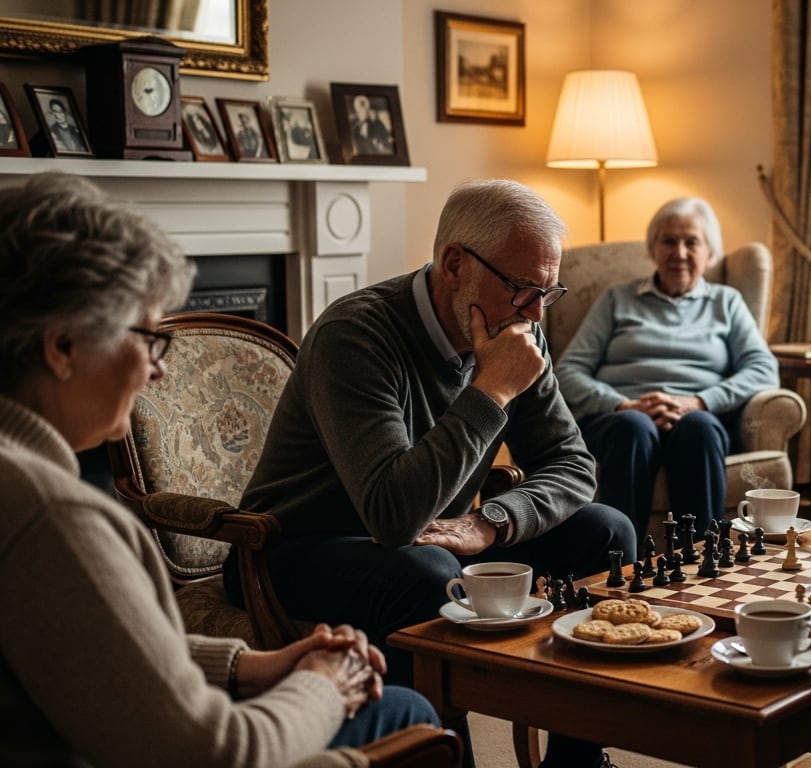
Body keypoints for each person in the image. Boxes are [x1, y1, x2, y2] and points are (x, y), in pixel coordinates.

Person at [0, 172, 442, 766]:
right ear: (61, 347)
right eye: (150, 338)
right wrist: (324, 683)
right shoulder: (53, 517)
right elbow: (218, 752)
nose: (158, 370)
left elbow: (94, 651)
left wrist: (250, 665)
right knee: (408, 712)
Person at [231, 178, 635, 768]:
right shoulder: (356, 335)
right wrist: (492, 387)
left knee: (609, 532)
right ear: (454, 264)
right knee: (427, 573)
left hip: (435, 536)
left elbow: (574, 465)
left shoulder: (517, 329)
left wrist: (494, 522)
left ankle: (575, 762)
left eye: (548, 293)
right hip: (294, 547)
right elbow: (393, 514)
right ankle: (445, 759)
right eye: (523, 289)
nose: (537, 313)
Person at [557, 197, 780, 548]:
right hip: (622, 419)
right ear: (652, 249)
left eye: (692, 242)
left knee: (700, 428)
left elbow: (764, 368)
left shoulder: (727, 302)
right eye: (668, 241)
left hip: (696, 417)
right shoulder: (617, 299)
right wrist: (622, 405)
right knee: (635, 427)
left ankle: (701, 562)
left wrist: (699, 401)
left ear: (710, 253)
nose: (679, 252)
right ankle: (618, 564)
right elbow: (568, 370)